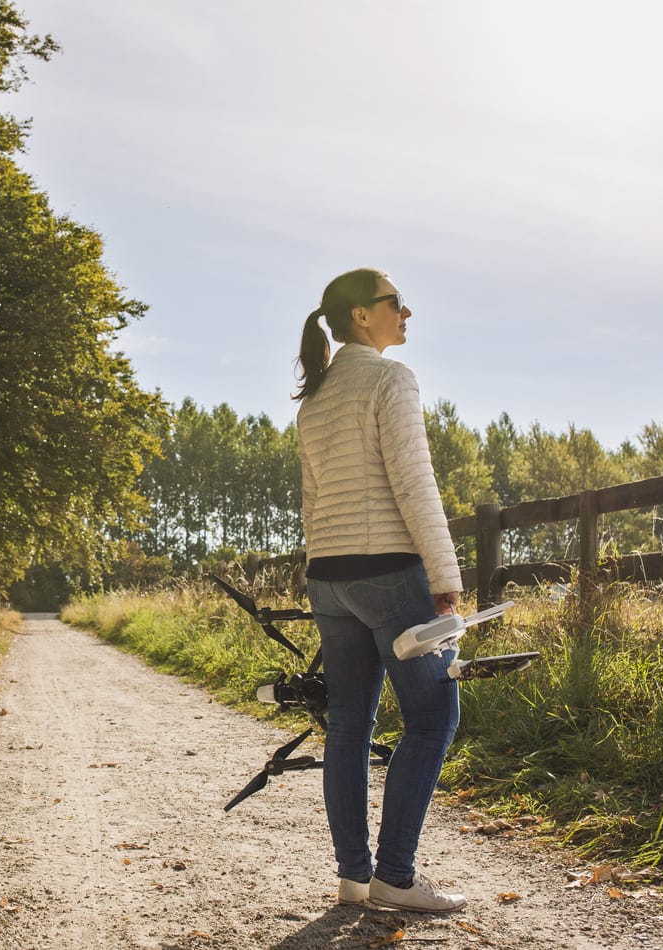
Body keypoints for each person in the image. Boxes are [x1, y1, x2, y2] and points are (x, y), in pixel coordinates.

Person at [293, 267, 466, 913]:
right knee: (431, 718)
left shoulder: (315, 395)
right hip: (389, 575)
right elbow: (412, 483)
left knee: (347, 727)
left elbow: (311, 501)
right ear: (363, 315)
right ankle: (394, 877)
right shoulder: (390, 379)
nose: (407, 312)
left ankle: (352, 878)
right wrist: (444, 578)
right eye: (396, 303)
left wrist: (321, 569)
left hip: (328, 578)